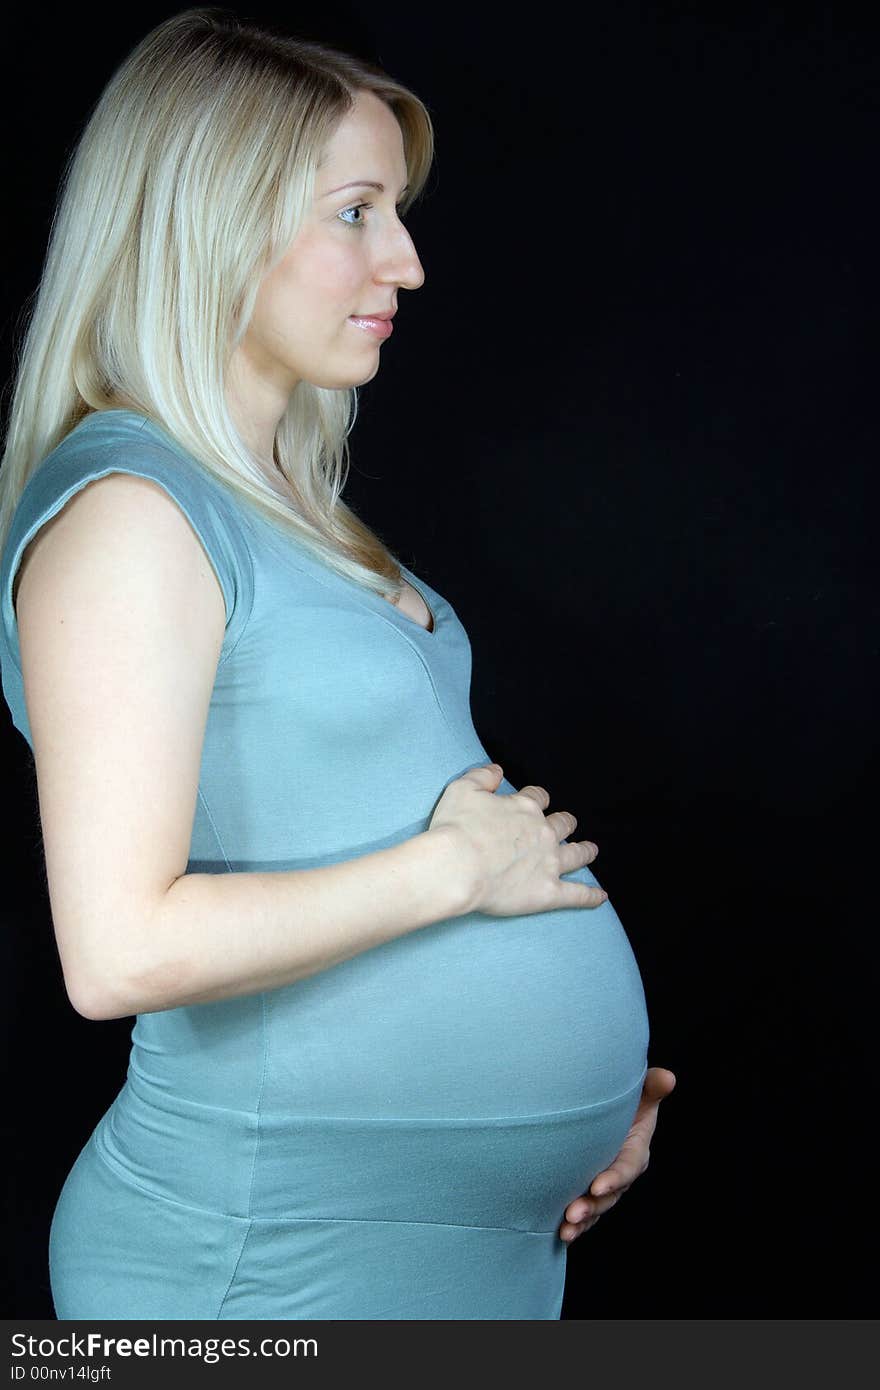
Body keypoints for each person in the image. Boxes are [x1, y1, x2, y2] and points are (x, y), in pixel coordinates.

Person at [0, 8, 675, 1319]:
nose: (407, 262)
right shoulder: (133, 515)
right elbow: (117, 948)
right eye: (357, 211)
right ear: (212, 220)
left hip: (454, 1251)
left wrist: (578, 1105)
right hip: (263, 1264)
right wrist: (461, 869)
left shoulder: (273, 501)